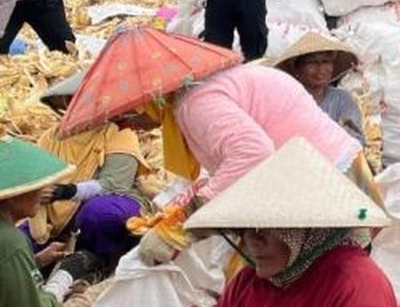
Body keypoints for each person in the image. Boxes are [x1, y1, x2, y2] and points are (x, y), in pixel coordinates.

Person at [117, 63, 368, 265]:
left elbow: (252, 154)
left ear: (150, 99)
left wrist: (183, 225)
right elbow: (229, 163)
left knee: (317, 276)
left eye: (130, 114)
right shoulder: (199, 91)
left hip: (328, 183)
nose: (131, 125)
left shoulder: (197, 104)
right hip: (317, 172)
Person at [184, 137, 395, 307]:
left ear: (303, 228)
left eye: (262, 229)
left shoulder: (356, 283)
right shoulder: (248, 281)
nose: (252, 242)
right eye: (244, 229)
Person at [26, 72, 152, 272]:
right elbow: (35, 178)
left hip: (112, 200)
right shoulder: (49, 138)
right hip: (55, 215)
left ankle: (106, 261)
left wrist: (67, 192)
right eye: (71, 101)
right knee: (18, 238)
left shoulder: (118, 132)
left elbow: (114, 183)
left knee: (100, 213)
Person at [0, 135, 92, 306]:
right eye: (34, 185)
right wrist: (60, 285)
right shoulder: (11, 242)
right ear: (11, 195)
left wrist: (38, 260)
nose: (43, 190)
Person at [271, 33, 366, 145]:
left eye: (326, 62)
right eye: (312, 62)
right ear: (297, 68)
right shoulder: (286, 99)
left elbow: (355, 139)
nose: (321, 69)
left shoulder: (342, 99)